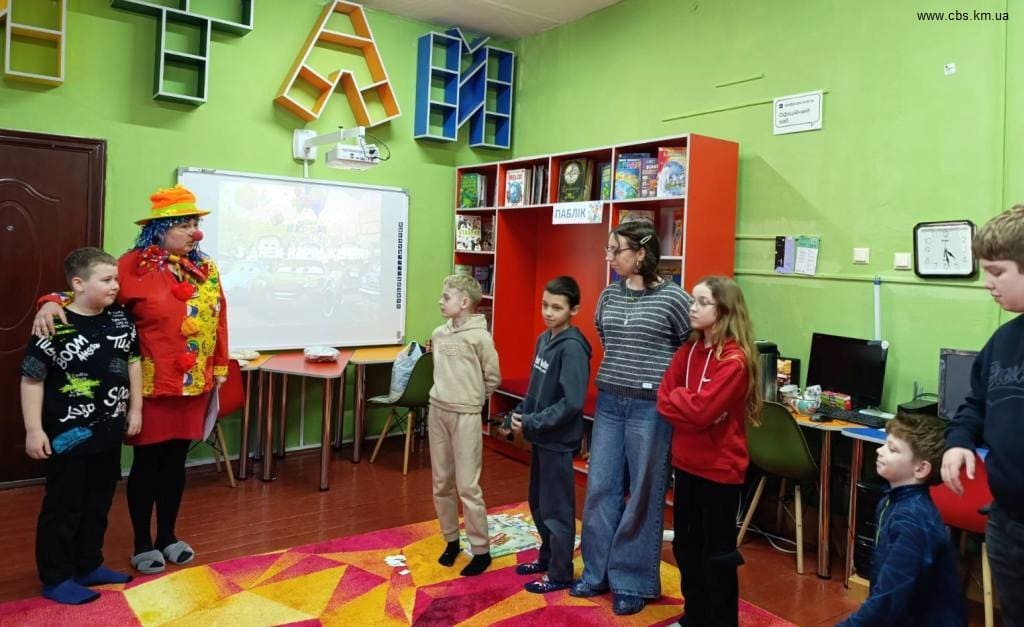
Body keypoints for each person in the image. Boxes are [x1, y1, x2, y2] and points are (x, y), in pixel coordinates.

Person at [33, 185, 229, 576]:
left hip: (193, 384)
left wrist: (219, 367)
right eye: (185, 224)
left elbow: (220, 318)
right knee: (147, 464)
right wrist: (50, 300)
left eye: (195, 223)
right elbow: (89, 292)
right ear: (160, 228)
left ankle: (168, 536)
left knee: (176, 463)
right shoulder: (131, 266)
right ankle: (142, 542)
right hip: (149, 387)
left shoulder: (206, 268)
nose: (195, 232)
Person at [571, 219, 692, 616]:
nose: (609, 257)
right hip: (610, 402)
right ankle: (596, 573)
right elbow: (606, 337)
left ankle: (633, 581)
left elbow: (686, 348)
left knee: (643, 493)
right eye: (608, 250)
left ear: (641, 253)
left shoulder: (674, 299)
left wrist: (658, 384)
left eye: (616, 250)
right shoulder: (609, 295)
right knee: (600, 488)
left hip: (650, 408)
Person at [21, 247, 142, 604]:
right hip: (67, 435)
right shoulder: (52, 322)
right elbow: (32, 379)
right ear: (78, 283)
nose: (115, 286)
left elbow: (133, 362)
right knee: (64, 505)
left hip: (110, 430)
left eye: (116, 278)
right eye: (106, 280)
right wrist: (33, 430)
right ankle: (57, 577)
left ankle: (89, 564)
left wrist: (136, 409)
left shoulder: (120, 318)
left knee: (98, 502)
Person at [657, 276, 760, 626]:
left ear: (724, 311)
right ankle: (695, 616)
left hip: (719, 470)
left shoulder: (734, 360)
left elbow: (701, 412)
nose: (692, 308)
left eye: (702, 302)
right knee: (686, 548)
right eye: (693, 300)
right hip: (686, 464)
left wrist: (689, 406)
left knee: (717, 555)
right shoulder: (688, 350)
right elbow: (664, 400)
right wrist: (691, 405)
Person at [942, 203, 1024, 627]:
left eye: (997, 272)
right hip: (1006, 520)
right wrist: (958, 441)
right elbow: (975, 404)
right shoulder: (1004, 339)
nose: (987, 283)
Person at [507, 276, 592, 594]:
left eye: (557, 307)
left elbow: (572, 403)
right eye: (545, 305)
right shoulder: (544, 339)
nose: (548, 312)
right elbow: (536, 388)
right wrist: (520, 414)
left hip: (558, 440)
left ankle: (560, 573)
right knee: (539, 503)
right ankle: (547, 558)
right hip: (539, 436)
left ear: (574, 310)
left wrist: (532, 422)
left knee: (558, 509)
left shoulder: (573, 348)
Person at [840, 413, 965, 626]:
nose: (879, 450)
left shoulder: (913, 520)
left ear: (921, 468)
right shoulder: (890, 501)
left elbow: (889, 598)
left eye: (892, 449)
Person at [429, 273, 501, 577]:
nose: (440, 302)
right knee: (441, 483)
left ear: (464, 302)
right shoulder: (439, 334)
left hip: (466, 416)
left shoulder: (480, 337)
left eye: (446, 297)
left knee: (468, 486)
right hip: (438, 411)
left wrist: (472, 399)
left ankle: (481, 551)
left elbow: (492, 377)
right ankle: (451, 541)